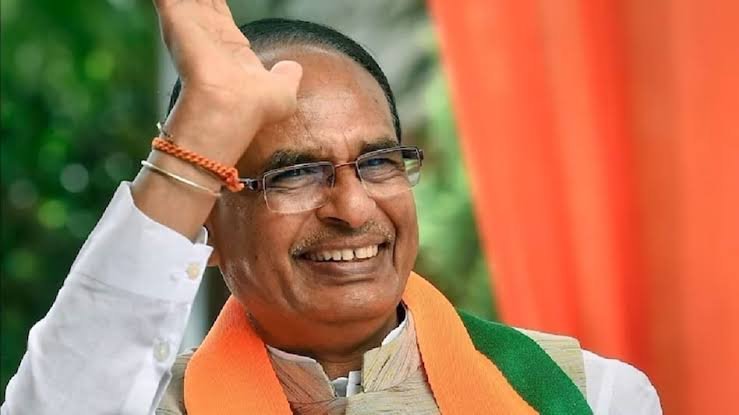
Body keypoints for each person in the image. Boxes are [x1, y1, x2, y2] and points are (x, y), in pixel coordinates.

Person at [2, 1, 661, 414]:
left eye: (377, 162)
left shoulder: (584, 395)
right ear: (209, 227)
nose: (351, 205)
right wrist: (196, 140)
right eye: (294, 173)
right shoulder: (153, 405)